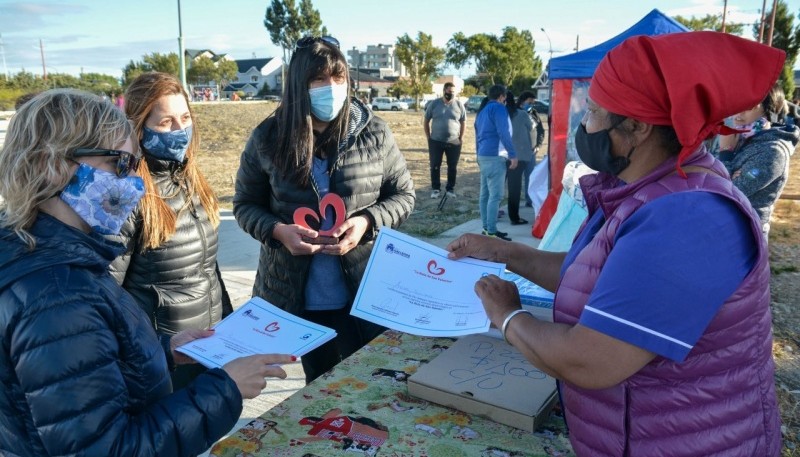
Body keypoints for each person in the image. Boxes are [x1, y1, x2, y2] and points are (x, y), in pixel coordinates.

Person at [447, 32, 782, 456]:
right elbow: (597, 281)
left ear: (638, 127)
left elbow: (591, 359)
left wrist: (508, 316)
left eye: (594, 112)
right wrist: (507, 253)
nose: (584, 125)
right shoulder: (646, 187)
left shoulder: (689, 218)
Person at [0, 89, 294, 456]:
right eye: (119, 165)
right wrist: (227, 388)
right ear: (54, 164)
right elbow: (109, 448)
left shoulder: (45, 255)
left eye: (134, 165)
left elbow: (85, 370)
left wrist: (160, 352)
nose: (134, 184)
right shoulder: (58, 294)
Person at [234, 35, 415, 384]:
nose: (331, 88)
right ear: (299, 84)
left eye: (339, 77)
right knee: (322, 392)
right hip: (300, 298)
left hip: (366, 291)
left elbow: (403, 195)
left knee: (375, 386)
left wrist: (367, 222)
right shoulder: (267, 138)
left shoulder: (374, 133)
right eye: (319, 79)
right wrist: (276, 231)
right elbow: (244, 204)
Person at [107, 72, 233, 390]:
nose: (180, 130)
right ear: (139, 126)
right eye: (166, 123)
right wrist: (159, 348)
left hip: (208, 346)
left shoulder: (190, 177)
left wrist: (229, 325)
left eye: (185, 117)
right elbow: (106, 292)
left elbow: (207, 268)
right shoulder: (125, 192)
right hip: (165, 360)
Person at [716, 82, 798, 238]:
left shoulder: (772, 152)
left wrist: (725, 154)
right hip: (728, 228)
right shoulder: (738, 137)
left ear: (769, 108)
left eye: (749, 106)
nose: (738, 111)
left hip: (746, 235)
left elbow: (727, 193)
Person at [474, 84, 517, 241]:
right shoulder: (498, 109)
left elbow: (476, 135)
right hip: (495, 156)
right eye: (504, 97)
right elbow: (503, 132)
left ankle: (487, 228)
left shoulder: (483, 111)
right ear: (501, 97)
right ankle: (491, 231)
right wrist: (512, 154)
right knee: (495, 196)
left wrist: (477, 154)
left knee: (485, 194)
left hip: (483, 155)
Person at [424, 82, 466, 199]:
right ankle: (436, 189)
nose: (451, 94)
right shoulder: (434, 104)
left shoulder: (459, 105)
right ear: (444, 91)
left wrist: (461, 137)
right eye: (449, 92)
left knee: (452, 166)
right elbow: (426, 121)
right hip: (436, 141)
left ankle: (450, 189)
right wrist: (428, 137)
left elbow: (463, 122)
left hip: (454, 141)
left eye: (453, 92)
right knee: (435, 165)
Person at [505, 91, 534, 225]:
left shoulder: (501, 114)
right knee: (515, 188)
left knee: (499, 187)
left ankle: (493, 216)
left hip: (502, 155)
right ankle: (514, 217)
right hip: (520, 155)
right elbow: (531, 127)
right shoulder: (521, 114)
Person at [520, 91, 546, 207]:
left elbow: (541, 130)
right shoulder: (515, 112)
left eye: (533, 102)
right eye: (529, 102)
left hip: (531, 151)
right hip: (518, 152)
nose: (531, 104)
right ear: (523, 100)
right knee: (515, 178)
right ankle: (513, 201)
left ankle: (529, 199)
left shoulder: (534, 113)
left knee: (530, 176)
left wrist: (538, 145)